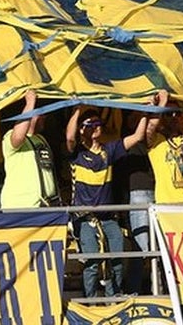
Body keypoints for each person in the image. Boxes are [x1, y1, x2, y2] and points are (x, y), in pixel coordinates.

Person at [67, 104, 150, 298]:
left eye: (98, 123)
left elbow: (138, 137)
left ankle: (114, 297)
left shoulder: (109, 150)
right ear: (81, 129)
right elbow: (69, 137)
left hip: (108, 218)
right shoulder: (76, 152)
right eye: (90, 124)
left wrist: (147, 111)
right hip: (84, 217)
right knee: (92, 262)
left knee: (118, 259)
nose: (96, 126)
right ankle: (90, 301)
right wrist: (78, 109)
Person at [0, 90, 60, 208]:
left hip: (46, 206)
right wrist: (30, 103)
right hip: (21, 207)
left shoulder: (41, 139)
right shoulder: (9, 137)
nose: (45, 117)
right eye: (42, 114)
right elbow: (18, 136)